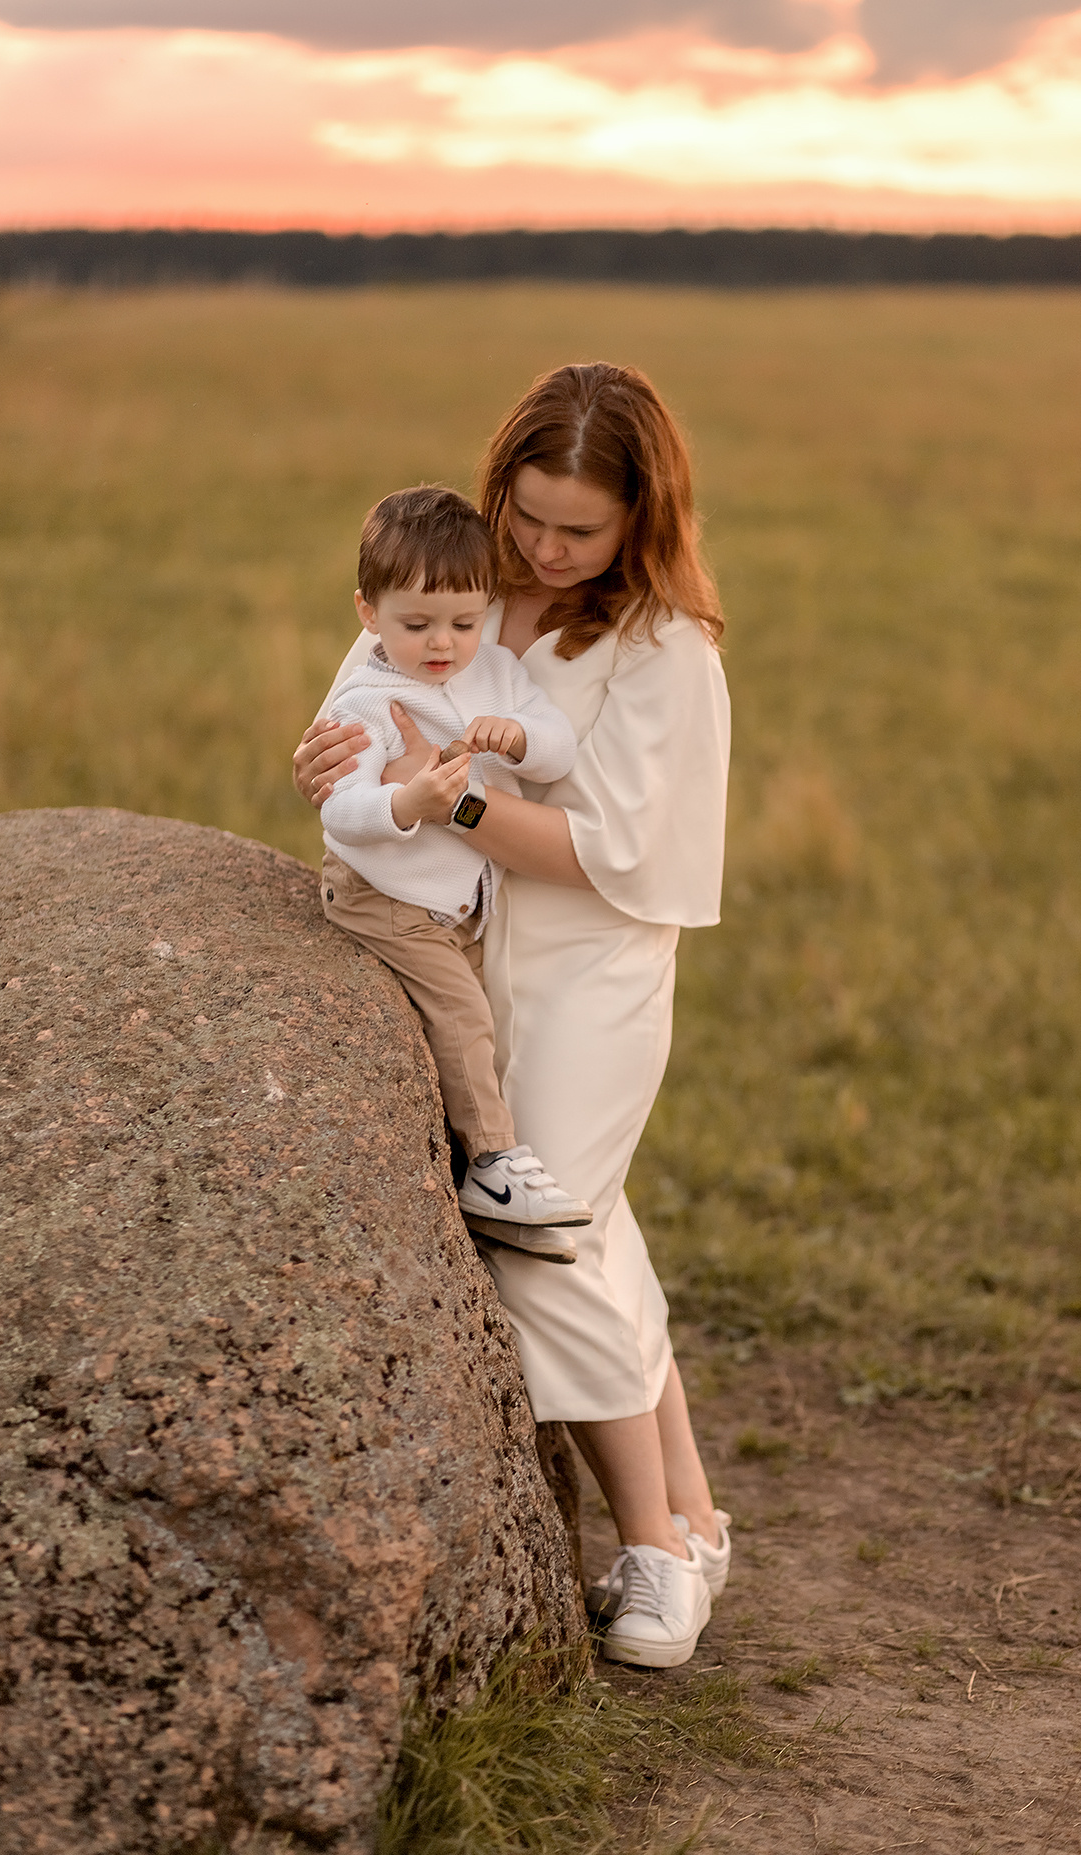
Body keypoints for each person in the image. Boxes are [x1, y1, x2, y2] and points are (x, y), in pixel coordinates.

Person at [295, 362, 732, 1669]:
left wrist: (453, 797)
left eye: (577, 529)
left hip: (588, 974)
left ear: (640, 522)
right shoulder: (466, 585)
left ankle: (654, 1555)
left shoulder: (665, 651)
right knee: (591, 1227)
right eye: (527, 513)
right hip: (467, 952)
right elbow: (369, 696)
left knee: (543, 1235)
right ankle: (699, 1517)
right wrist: (336, 755)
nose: (543, 548)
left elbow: (620, 855)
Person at [318, 483, 592, 1248]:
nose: (442, 643)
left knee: (474, 1025)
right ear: (368, 613)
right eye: (417, 624)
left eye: (464, 622)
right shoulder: (368, 699)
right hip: (385, 895)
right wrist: (406, 803)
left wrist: (518, 739)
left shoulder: (496, 672)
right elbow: (339, 808)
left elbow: (558, 744)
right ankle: (496, 1168)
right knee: (466, 1019)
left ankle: (468, 1155)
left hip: (455, 902)